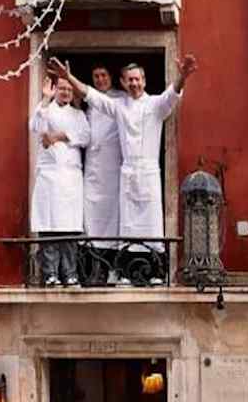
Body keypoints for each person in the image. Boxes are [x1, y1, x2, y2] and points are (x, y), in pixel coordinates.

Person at [48, 54, 198, 287]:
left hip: (148, 172)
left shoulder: (156, 105)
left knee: (152, 225)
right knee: (127, 226)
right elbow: (91, 95)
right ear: (124, 82)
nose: (134, 83)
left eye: (137, 79)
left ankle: (156, 272)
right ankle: (126, 272)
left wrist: (183, 76)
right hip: (127, 172)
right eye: (130, 80)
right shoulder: (119, 106)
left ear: (144, 81)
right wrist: (68, 76)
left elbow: (172, 94)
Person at [30, 76, 91, 287]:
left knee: (70, 227)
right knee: (49, 226)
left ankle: (70, 273)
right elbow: (36, 127)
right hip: (50, 176)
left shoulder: (78, 114)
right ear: (55, 89)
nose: (65, 92)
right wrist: (45, 99)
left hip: (71, 178)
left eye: (69, 90)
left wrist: (62, 136)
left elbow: (86, 137)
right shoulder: (45, 110)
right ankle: (50, 274)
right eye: (62, 89)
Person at [83, 64, 126, 281]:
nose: (100, 79)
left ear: (111, 77)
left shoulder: (122, 99)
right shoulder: (89, 102)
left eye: (103, 75)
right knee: (91, 217)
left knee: (114, 217)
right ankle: (95, 267)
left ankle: (114, 268)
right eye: (96, 76)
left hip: (113, 165)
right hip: (93, 166)